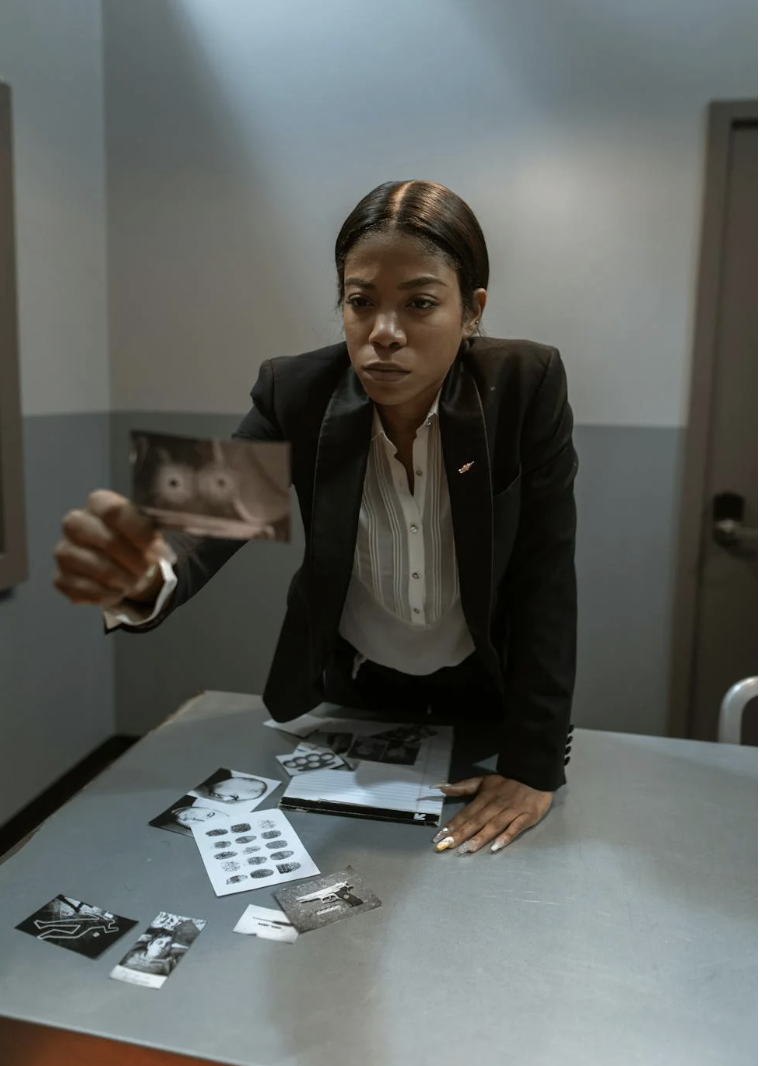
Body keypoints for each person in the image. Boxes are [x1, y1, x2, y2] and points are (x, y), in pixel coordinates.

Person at [53, 180, 577, 856]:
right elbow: (194, 532)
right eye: (361, 302)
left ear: (471, 310)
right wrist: (138, 576)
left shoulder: (527, 385)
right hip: (353, 689)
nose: (383, 334)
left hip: (486, 688)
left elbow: (546, 579)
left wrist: (533, 767)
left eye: (420, 303)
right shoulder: (293, 391)